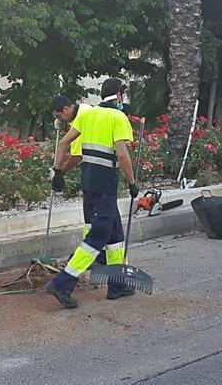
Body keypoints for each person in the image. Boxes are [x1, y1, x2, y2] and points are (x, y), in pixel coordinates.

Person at [45, 78, 138, 308]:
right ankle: (62, 283)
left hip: (88, 183)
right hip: (106, 184)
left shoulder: (88, 115)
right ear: (118, 95)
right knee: (98, 236)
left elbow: (64, 143)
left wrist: (58, 172)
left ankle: (116, 285)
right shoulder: (118, 117)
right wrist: (132, 182)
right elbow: (123, 155)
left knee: (116, 236)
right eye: (122, 96)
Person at [48, 95, 104, 264]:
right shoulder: (85, 110)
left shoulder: (82, 118)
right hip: (101, 166)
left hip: (95, 169)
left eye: (58, 116)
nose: (59, 120)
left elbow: (76, 155)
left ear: (66, 109)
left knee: (93, 213)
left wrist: (59, 172)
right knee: (96, 214)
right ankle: (91, 252)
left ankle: (92, 255)